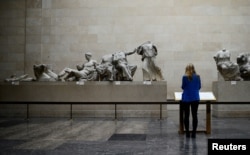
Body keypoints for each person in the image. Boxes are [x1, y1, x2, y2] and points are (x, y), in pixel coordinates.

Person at [181, 63, 201, 138]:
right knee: (194, 115)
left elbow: (183, 87)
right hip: (195, 97)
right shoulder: (198, 77)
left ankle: (187, 133)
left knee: (186, 115)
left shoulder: (184, 77)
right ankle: (194, 133)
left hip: (186, 98)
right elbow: (199, 86)